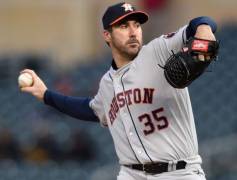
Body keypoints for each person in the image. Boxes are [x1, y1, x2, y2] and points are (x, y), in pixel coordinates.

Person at [20, 2, 218, 180]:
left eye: (137, 25)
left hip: (179, 173)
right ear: (107, 35)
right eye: (124, 26)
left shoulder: (158, 50)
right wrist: (45, 95)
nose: (133, 32)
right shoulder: (107, 82)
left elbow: (200, 22)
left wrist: (204, 29)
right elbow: (91, 110)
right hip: (131, 174)